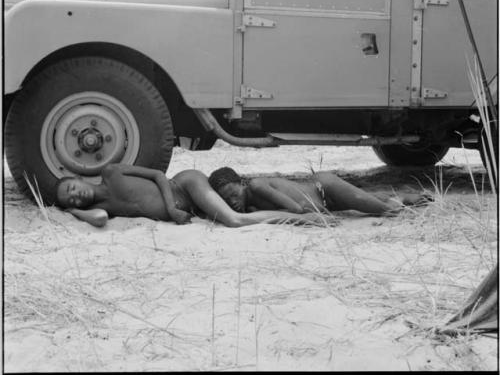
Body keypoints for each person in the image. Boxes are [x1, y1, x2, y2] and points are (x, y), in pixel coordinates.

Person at [54, 163, 339, 228]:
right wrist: (73, 212)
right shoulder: (104, 207)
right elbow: (100, 219)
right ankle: (297, 213)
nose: (76, 196)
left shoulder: (111, 172)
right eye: (71, 200)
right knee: (239, 214)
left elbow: (156, 175)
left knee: (235, 221)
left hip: (186, 185)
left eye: (71, 189)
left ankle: (301, 218)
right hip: (189, 207)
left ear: (78, 178)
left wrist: (170, 207)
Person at [208, 167, 431, 216]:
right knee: (363, 200)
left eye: (232, 194)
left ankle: (403, 205)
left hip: (324, 188)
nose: (232, 202)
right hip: (328, 201)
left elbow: (295, 208)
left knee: (382, 210)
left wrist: (309, 216)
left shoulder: (257, 185)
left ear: (241, 183)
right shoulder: (252, 206)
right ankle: (409, 197)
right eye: (226, 201)